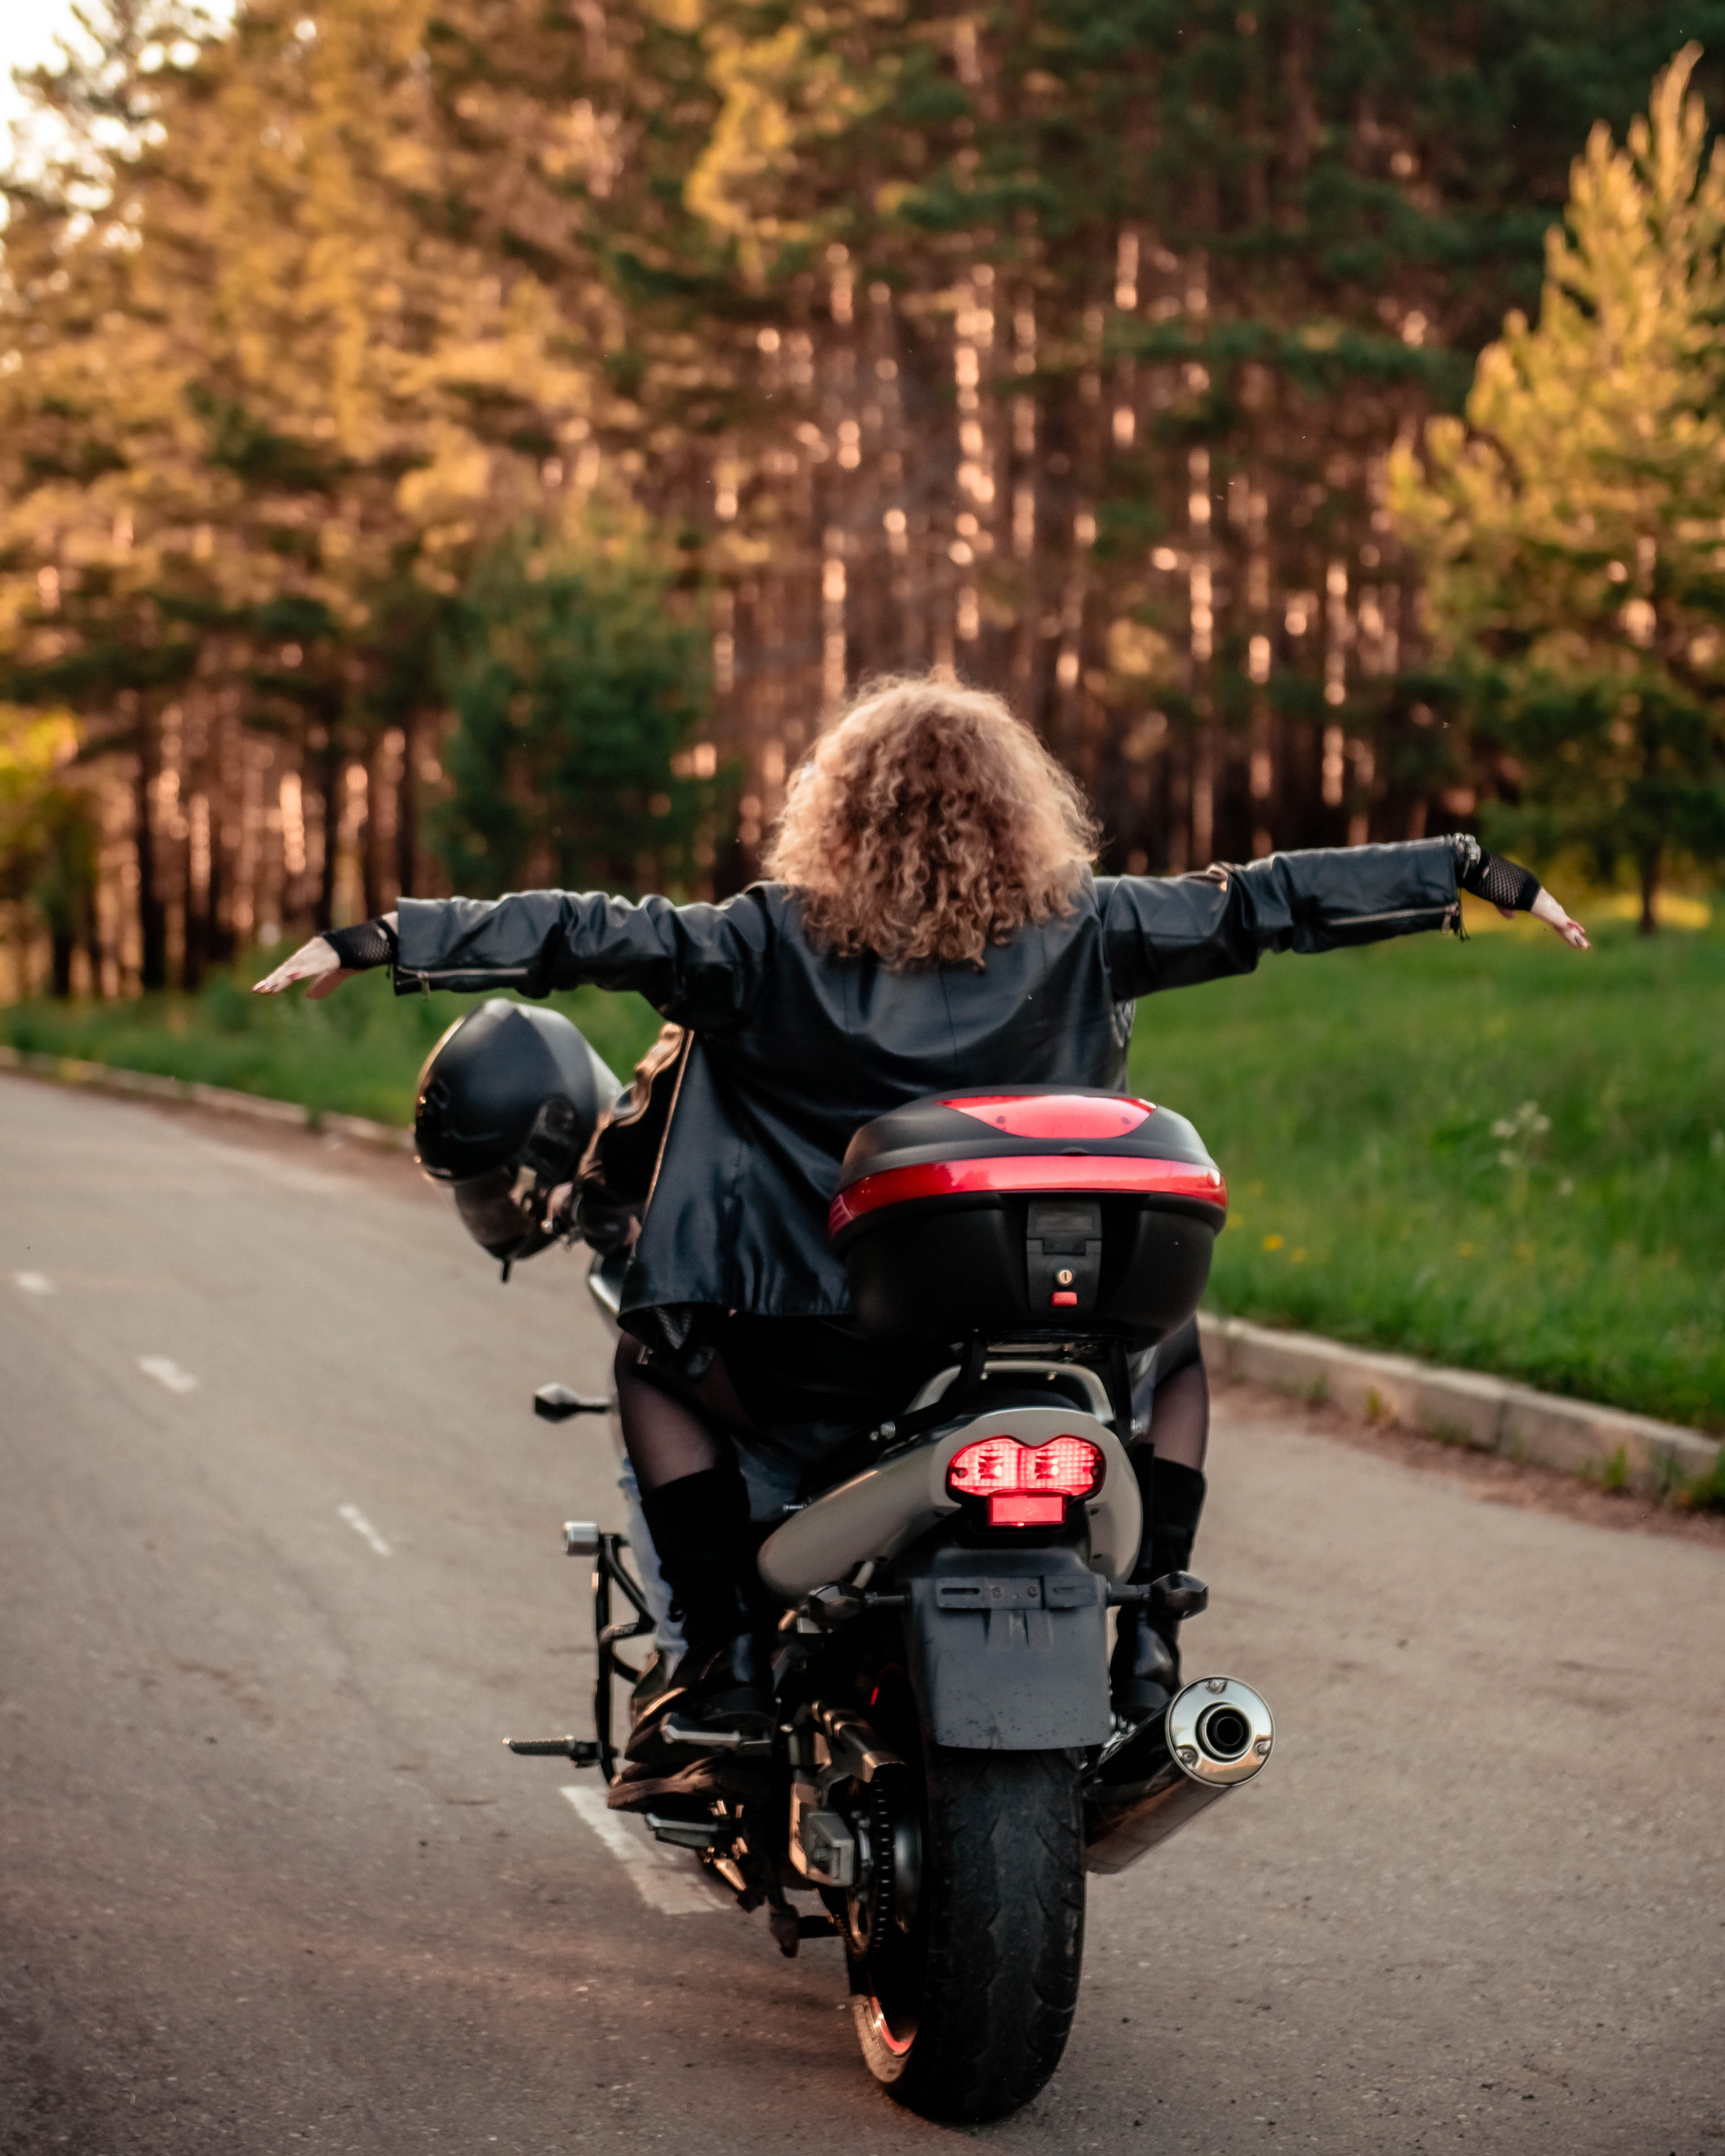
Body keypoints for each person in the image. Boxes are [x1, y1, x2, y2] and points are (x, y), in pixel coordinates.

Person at [257, 676, 1589, 1797]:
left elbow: (576, 934)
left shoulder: (759, 942)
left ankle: (721, 1662)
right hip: (1044, 1341)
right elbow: (1262, 903)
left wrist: (380, 938)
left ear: (833, 813)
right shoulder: (1088, 928)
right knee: (1176, 1350)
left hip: (810, 1355)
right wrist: (1465, 871)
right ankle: (1150, 1637)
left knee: (650, 1360)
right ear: (1020, 810)